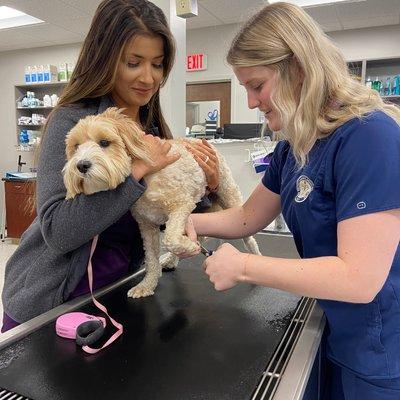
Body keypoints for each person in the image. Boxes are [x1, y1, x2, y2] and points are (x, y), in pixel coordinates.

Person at [180, 3, 400, 399]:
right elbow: (249, 217)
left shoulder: (370, 138)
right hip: (333, 326)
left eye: (256, 85)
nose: (249, 102)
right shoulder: (295, 148)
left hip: (380, 349)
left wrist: (244, 266)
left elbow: (360, 279)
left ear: (298, 69)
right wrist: (188, 222)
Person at [1, 0, 219, 332]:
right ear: (106, 59)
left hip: (117, 289)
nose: (148, 77)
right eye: (134, 63)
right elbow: (59, 232)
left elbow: (164, 210)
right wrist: (138, 170)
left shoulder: (151, 129)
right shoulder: (72, 121)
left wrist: (208, 186)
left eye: (157, 64)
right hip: (53, 302)